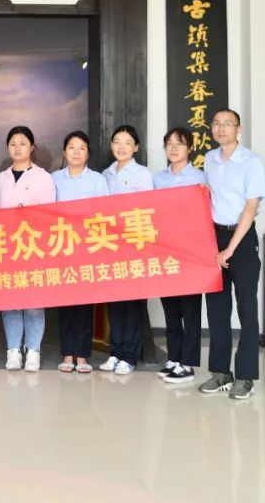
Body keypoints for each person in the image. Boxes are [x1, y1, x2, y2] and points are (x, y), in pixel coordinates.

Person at [198, 108, 265, 400]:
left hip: (241, 238)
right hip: (214, 236)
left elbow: (250, 210)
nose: (221, 128)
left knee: (247, 308)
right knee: (217, 307)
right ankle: (220, 373)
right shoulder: (210, 160)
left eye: (227, 124)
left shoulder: (252, 162)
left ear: (238, 129)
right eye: (216, 123)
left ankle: (246, 376)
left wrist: (230, 248)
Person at [0, 126, 56, 372]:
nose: (17, 148)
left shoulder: (43, 177)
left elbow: (50, 214)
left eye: (22, 143)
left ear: (32, 147)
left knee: (33, 303)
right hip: (6, 248)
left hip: (33, 248)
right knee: (10, 303)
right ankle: (13, 350)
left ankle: (33, 351)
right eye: (13, 144)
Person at [152, 126, 207, 384]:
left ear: (190, 148)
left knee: (190, 311)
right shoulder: (158, 179)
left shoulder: (200, 177)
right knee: (171, 309)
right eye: (169, 144)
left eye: (180, 143)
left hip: (190, 253)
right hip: (165, 251)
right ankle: (174, 358)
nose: (173, 148)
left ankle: (187, 363)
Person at [51, 130, 108, 374]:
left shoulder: (97, 180)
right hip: (62, 247)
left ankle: (82, 355)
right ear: (64, 153)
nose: (76, 152)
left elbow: (104, 212)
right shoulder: (54, 178)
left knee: (84, 303)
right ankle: (67, 353)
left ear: (87, 153)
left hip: (87, 247)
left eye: (81, 148)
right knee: (65, 303)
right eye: (71, 148)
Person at [99, 124, 154, 375]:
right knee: (114, 302)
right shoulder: (106, 174)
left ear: (136, 147)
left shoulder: (142, 174)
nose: (121, 147)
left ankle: (129, 356)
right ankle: (115, 352)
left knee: (132, 303)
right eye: (117, 142)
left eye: (127, 143)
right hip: (110, 245)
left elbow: (147, 209)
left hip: (134, 244)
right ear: (111, 145)